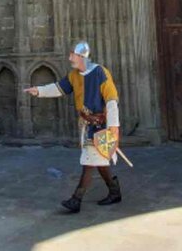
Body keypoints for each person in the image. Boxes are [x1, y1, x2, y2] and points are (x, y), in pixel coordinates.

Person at [24, 41, 122, 212]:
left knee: (89, 162)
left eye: (72, 55)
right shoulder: (74, 75)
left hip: (100, 127)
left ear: (81, 56)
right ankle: (114, 191)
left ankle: (76, 199)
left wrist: (113, 127)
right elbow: (59, 88)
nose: (70, 58)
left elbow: (111, 100)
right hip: (86, 125)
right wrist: (39, 90)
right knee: (98, 161)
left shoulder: (100, 72)